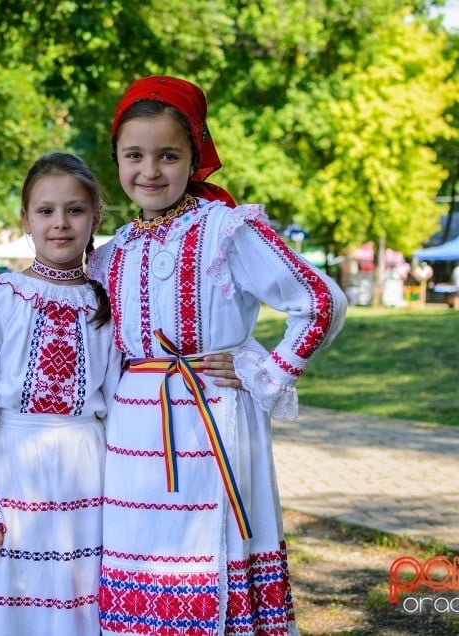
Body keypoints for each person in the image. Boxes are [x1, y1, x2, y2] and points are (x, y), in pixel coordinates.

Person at [87, 76, 348, 636]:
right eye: (134, 155)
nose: (149, 170)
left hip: (216, 418)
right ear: (116, 159)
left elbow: (321, 300)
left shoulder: (227, 230)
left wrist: (267, 369)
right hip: (136, 434)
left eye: (168, 155)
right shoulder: (113, 252)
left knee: (215, 551)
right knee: (143, 554)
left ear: (195, 157)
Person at [0, 152, 123, 635]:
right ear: (25, 219)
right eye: (46, 211)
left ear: (95, 217)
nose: (60, 223)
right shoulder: (3, 295)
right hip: (16, 464)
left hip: (87, 466)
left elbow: (116, 397)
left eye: (75, 210)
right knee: (17, 584)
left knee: (80, 588)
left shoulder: (104, 298)